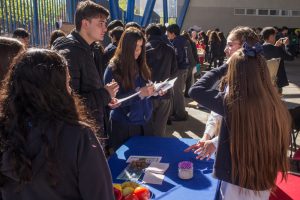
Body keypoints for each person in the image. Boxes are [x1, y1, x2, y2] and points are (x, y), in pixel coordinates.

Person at [189, 27, 291, 199]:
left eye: (230, 45)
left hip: (238, 180)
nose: (226, 50)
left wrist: (225, 66)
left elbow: (196, 90)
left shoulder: (232, 102)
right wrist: (213, 139)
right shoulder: (273, 101)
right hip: (261, 178)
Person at [0, 49, 114, 200]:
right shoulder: (78, 136)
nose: (70, 90)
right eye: (67, 83)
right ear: (55, 90)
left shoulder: (4, 130)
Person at [52, 1, 119, 148]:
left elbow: (90, 90)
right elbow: (67, 102)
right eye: (100, 23)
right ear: (85, 23)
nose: (105, 28)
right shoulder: (68, 53)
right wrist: (104, 94)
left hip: (91, 130)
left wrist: (106, 98)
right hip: (79, 137)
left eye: (105, 23)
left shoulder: (92, 49)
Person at [104, 27, 154, 150]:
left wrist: (155, 91)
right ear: (126, 46)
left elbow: (144, 90)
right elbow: (113, 101)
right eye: (135, 47)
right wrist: (139, 93)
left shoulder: (141, 64)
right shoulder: (113, 68)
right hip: (124, 126)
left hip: (144, 122)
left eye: (141, 46)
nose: (138, 50)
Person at [143, 23, 178, 137]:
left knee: (147, 127)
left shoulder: (143, 49)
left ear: (147, 35)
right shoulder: (170, 49)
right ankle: (159, 151)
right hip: (165, 93)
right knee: (161, 127)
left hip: (147, 94)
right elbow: (174, 72)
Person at [166, 24, 190, 121]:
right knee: (179, 91)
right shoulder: (183, 40)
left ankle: (180, 114)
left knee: (177, 92)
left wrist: (173, 65)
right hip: (185, 68)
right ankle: (179, 112)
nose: (167, 35)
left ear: (173, 33)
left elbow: (178, 56)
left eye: (168, 33)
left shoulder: (176, 42)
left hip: (179, 69)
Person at [261, 27, 294, 94]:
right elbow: (291, 57)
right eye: (274, 36)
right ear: (271, 36)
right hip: (276, 82)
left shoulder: (259, 49)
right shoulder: (276, 49)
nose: (275, 38)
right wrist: (287, 45)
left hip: (263, 82)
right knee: (277, 102)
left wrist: (276, 46)